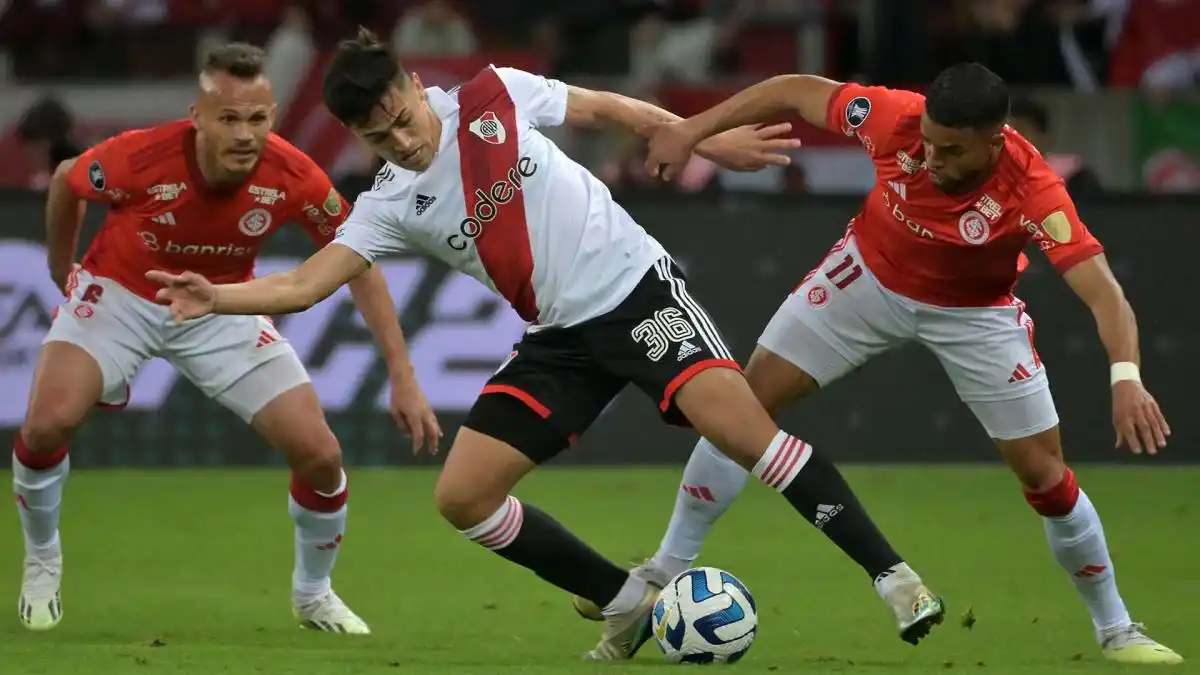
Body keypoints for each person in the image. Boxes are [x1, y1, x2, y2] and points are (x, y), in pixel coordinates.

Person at [148, 28, 945, 660]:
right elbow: (303, 285)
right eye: (381, 137)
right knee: (461, 496)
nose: (404, 139)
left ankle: (896, 578)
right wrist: (218, 294)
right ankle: (628, 602)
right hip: (559, 340)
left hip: (637, 295)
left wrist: (700, 139)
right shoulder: (387, 203)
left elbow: (607, 110)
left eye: (404, 117)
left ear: (418, 89)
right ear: (358, 138)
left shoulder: (493, 95)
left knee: (747, 437)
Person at [625, 62, 1181, 665]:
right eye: (930, 144)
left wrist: (1126, 376)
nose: (933, 158)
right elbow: (792, 90)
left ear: (994, 140)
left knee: (1045, 477)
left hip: (974, 316)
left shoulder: (1033, 189)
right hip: (865, 280)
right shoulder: (897, 118)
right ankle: (664, 572)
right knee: (740, 409)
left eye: (951, 151)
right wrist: (690, 130)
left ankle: (1116, 628)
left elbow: (1104, 293)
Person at [14, 43, 442, 635]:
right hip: (120, 295)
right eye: (230, 119)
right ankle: (41, 560)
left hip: (222, 306)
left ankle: (313, 594)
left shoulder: (292, 174)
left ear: (273, 116)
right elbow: (67, 179)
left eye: (259, 118)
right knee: (44, 426)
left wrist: (403, 375)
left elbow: (359, 261)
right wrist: (63, 269)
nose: (246, 134)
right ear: (199, 117)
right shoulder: (141, 157)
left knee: (320, 456)